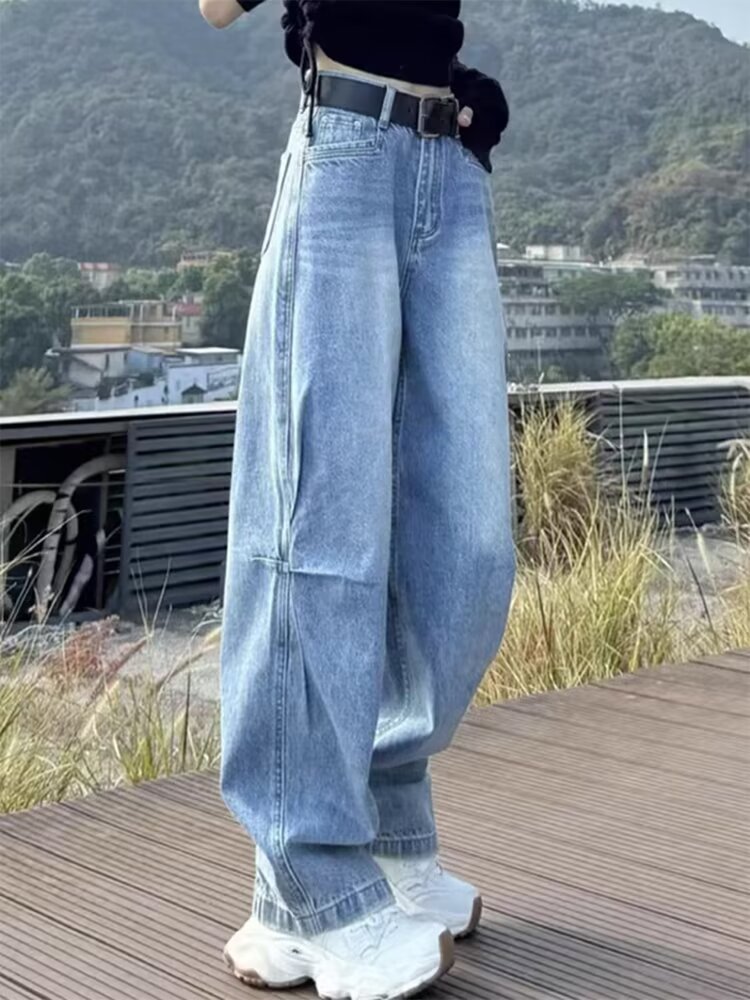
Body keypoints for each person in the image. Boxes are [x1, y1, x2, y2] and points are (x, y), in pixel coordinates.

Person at [200, 1, 515, 997]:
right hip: (343, 151)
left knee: (466, 541)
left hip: (446, 160)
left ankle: (383, 831)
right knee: (314, 531)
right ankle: (303, 888)